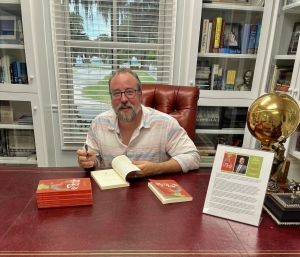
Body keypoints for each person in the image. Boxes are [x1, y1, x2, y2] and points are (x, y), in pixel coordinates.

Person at [77, 68, 200, 178]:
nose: (124, 99)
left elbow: (193, 157)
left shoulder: (165, 123)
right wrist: (89, 161)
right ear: (111, 97)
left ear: (140, 94)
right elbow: (94, 160)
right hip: (112, 195)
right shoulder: (98, 124)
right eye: (117, 94)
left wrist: (156, 169)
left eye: (130, 92)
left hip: (153, 196)